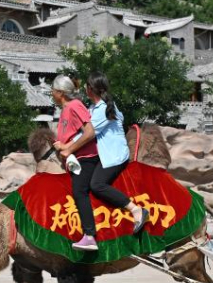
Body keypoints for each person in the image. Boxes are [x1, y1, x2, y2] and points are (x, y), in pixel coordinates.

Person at [51, 74, 148, 251]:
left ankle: (136, 210)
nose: (84, 89)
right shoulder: (94, 107)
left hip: (114, 156)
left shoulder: (103, 109)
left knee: (96, 185)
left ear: (91, 89)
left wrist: (67, 148)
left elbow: (87, 134)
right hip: (105, 155)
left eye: (87, 86)